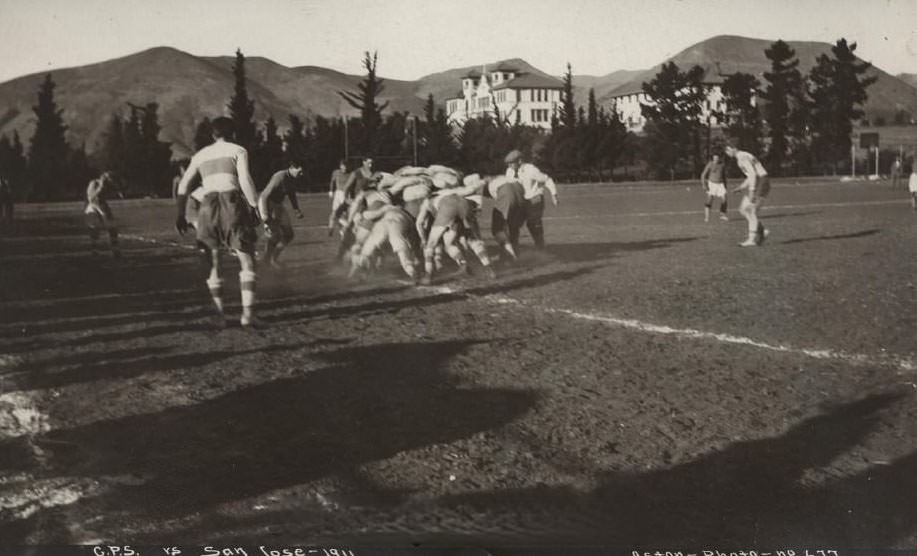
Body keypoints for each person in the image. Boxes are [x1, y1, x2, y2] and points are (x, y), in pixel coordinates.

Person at [175, 116, 261, 328]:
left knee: (214, 263)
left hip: (207, 205)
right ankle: (248, 316)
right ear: (233, 133)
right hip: (230, 203)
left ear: (213, 135)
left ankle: (220, 316)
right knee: (247, 260)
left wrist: (180, 214)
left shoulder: (200, 155)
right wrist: (254, 205)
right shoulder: (238, 150)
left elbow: (183, 186)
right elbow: (244, 179)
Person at [504, 150, 558, 248]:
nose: (509, 166)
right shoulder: (509, 172)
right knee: (513, 224)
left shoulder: (531, 169)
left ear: (519, 161)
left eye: (511, 163)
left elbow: (547, 179)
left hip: (535, 199)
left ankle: (540, 248)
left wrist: (554, 195)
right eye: (508, 164)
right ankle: (514, 250)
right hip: (521, 201)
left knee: (533, 224)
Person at [259, 160, 305, 269]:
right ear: (292, 168)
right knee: (275, 235)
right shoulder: (279, 177)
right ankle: (267, 261)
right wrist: (265, 214)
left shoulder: (292, 178)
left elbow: (291, 193)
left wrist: (296, 209)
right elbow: (264, 195)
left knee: (289, 235)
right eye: (300, 171)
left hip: (279, 205)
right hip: (270, 205)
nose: (301, 174)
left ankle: (272, 258)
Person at [725, 144, 770, 247]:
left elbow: (753, 174)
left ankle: (752, 239)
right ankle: (762, 231)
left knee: (750, 210)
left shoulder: (741, 157)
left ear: (734, 148)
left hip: (761, 182)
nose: (727, 152)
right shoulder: (743, 156)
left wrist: (752, 191)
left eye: (728, 149)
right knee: (743, 209)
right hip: (759, 181)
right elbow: (751, 175)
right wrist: (741, 187)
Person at [84, 171, 123, 257]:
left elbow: (119, 192)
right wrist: (100, 187)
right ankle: (94, 249)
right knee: (94, 228)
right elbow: (91, 198)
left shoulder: (109, 185)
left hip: (102, 205)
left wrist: (118, 190)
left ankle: (115, 248)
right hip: (92, 206)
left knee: (112, 227)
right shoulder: (94, 183)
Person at [699, 152, 729, 222]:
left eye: (717, 158)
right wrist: (704, 184)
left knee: (724, 199)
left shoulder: (722, 165)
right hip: (712, 184)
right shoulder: (710, 164)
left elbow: (724, 176)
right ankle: (707, 217)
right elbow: (703, 175)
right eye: (715, 158)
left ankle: (722, 215)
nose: (716, 159)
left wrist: (725, 185)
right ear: (713, 158)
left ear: (719, 158)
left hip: (720, 184)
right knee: (709, 200)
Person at [327, 159, 351, 235]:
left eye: (346, 166)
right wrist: (331, 191)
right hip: (337, 194)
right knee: (334, 212)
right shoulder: (336, 172)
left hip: (346, 194)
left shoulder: (350, 174)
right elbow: (332, 181)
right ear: (340, 166)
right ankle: (331, 228)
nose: (344, 168)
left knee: (343, 214)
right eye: (343, 166)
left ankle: (342, 231)